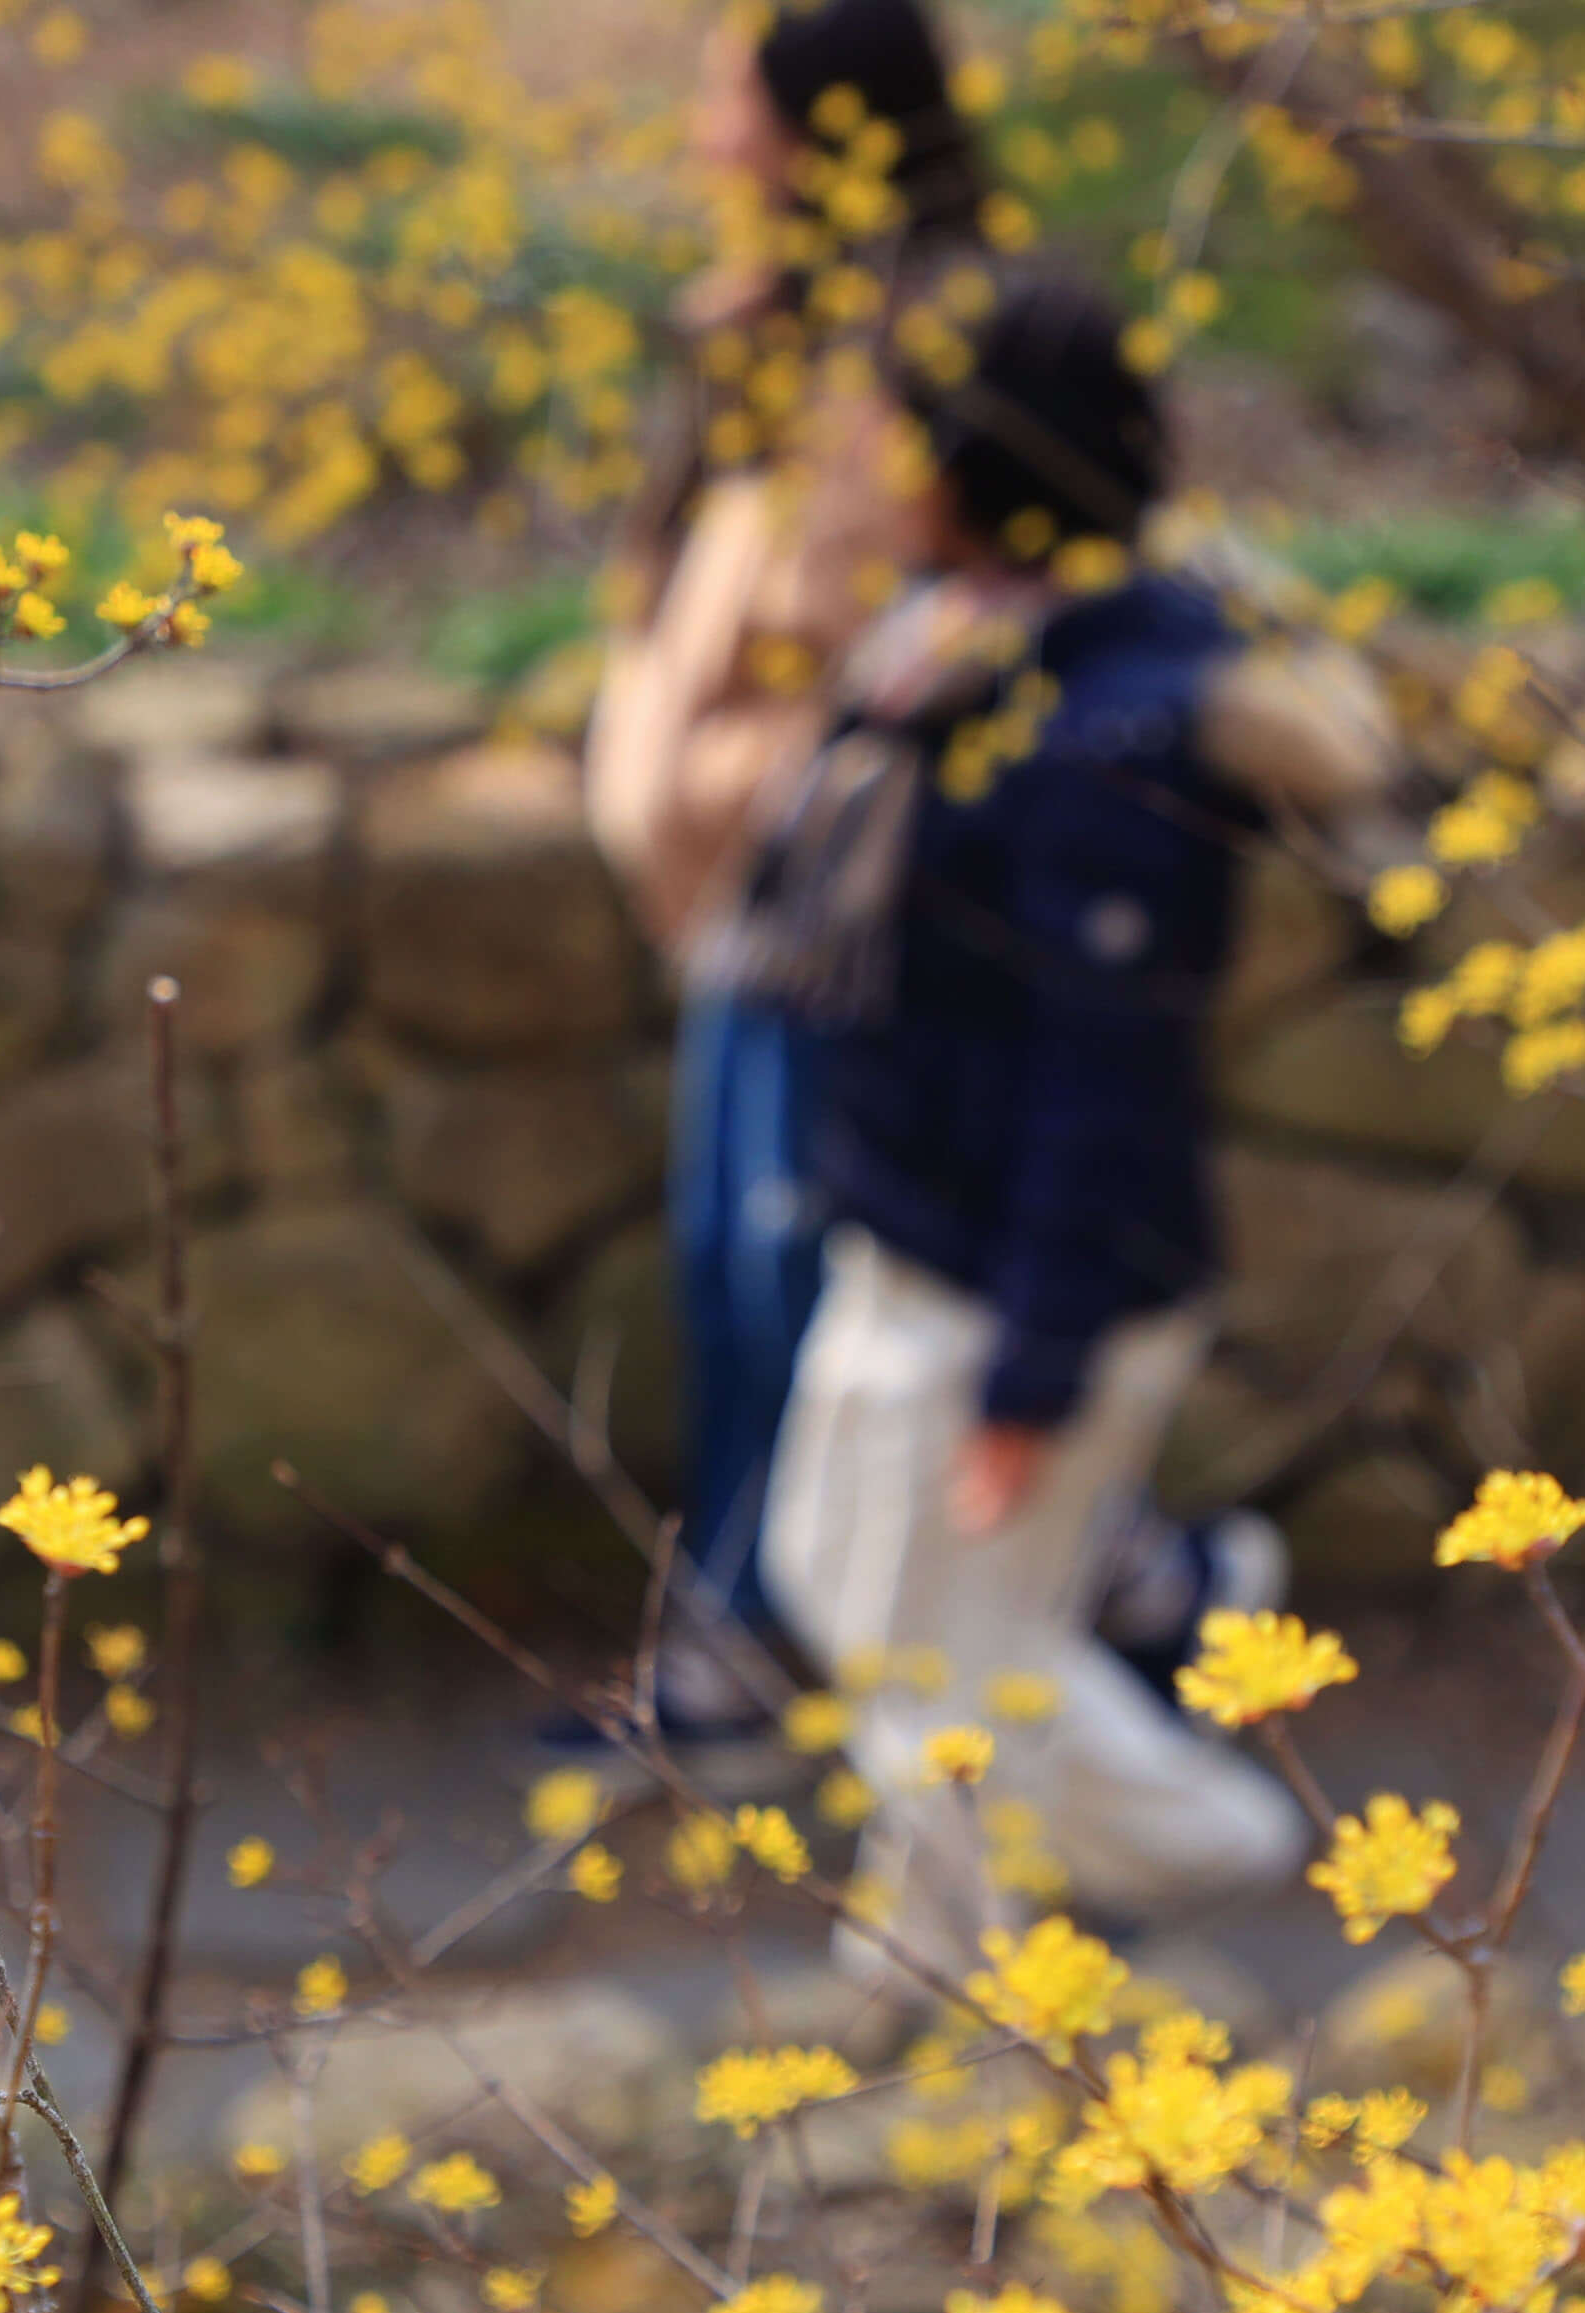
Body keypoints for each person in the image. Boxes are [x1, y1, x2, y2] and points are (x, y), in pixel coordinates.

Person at [749, 263, 1375, 1988]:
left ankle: (945, 1971)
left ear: (970, 462)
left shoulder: (1104, 732)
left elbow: (1106, 1083)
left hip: (1011, 1278)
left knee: (927, 1660)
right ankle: (1206, 1827)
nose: (861, 458)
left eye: (893, 427)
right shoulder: (970, 647)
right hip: (918, 1230)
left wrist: (1032, 1378)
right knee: (859, 1592)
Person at [581, 0, 985, 1749]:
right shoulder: (755, 333)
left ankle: (772, 1636)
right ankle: (761, 1625)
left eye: (731, 99)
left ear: (827, 129)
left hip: (855, 891)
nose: (702, 132)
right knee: (735, 1265)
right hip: (745, 895)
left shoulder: (933, 342)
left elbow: (876, 624)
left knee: (798, 1269)